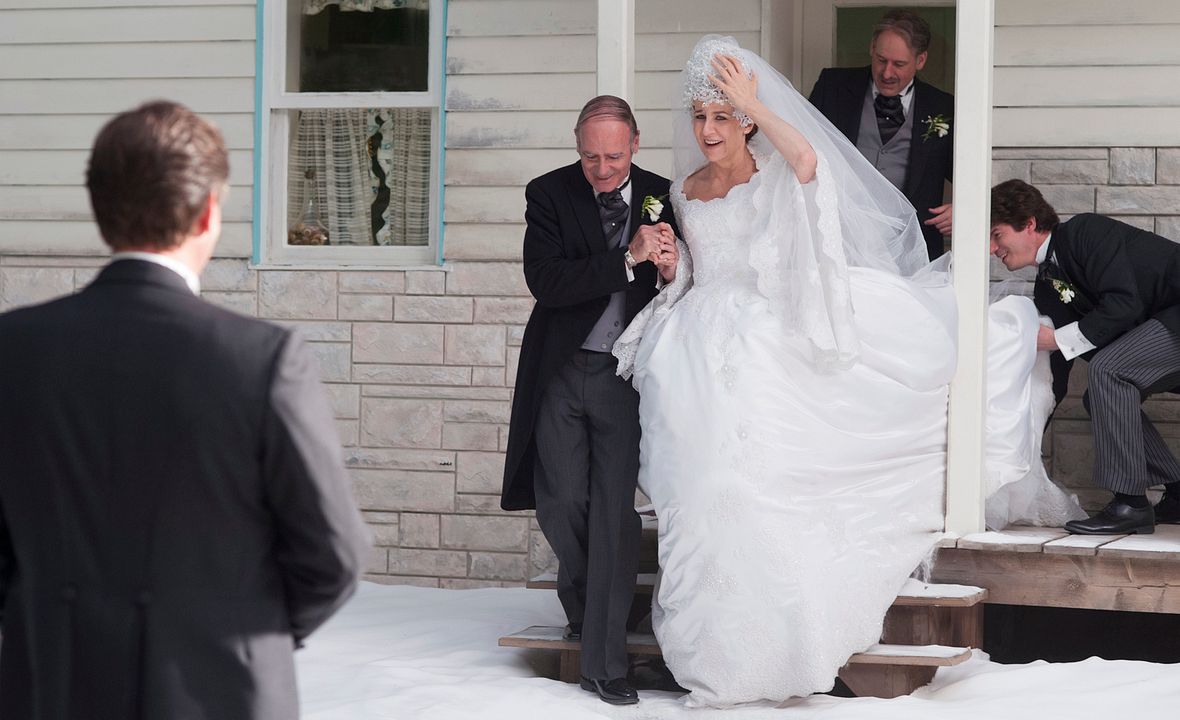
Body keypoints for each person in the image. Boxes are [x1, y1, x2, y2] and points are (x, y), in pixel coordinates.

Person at [612, 35, 956, 706]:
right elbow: (696, 269)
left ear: (744, 117)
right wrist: (670, 266)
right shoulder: (685, 190)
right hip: (697, 338)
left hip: (761, 334)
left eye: (723, 116)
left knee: (756, 480)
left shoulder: (774, 166)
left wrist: (756, 104)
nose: (708, 131)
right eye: (700, 117)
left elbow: (807, 162)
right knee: (700, 490)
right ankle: (706, 645)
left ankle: (780, 637)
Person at [0, 101, 370, 719]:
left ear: (100, 212)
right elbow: (333, 554)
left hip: (51, 685)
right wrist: (246, 634)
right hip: (219, 689)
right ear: (207, 213)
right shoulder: (261, 359)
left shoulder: (13, 350)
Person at [500, 95, 678, 706]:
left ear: (635, 146)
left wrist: (674, 268)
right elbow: (546, 282)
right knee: (559, 501)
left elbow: (686, 285)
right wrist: (626, 258)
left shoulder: (664, 193)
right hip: (561, 369)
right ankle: (590, 600)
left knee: (613, 513)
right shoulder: (548, 193)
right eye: (589, 156)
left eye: (612, 156)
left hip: (626, 378)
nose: (601, 169)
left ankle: (605, 662)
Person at [990, 179, 1180, 535]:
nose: (992, 248)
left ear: (1029, 223)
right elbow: (1054, 378)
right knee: (1102, 397)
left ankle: (1130, 504)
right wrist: (1021, 442)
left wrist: (1058, 339)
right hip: (1168, 330)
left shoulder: (1084, 231)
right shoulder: (1047, 289)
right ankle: (1178, 492)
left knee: (1111, 370)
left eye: (997, 235)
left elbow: (1124, 303)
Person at [808, 8, 954, 261]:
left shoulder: (943, 107)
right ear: (871, 49)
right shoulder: (833, 87)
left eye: (899, 64)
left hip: (911, 248)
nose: (887, 73)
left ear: (921, 60)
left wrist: (962, 208)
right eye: (881, 59)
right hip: (837, 241)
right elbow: (801, 148)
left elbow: (969, 177)